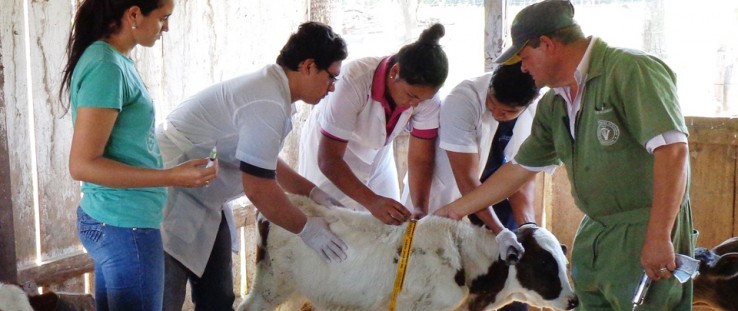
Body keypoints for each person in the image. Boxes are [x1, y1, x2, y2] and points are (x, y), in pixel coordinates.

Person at [434, 1, 694, 310]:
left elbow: (673, 151)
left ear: (547, 44)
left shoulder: (630, 70)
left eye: (525, 57)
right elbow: (518, 169)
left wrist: (659, 235)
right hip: (594, 231)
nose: (524, 68)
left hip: (644, 228)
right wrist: (452, 211)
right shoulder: (554, 104)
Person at [156, 22, 349, 310]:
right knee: (164, 299)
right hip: (173, 198)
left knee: (219, 298)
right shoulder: (266, 100)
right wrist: (308, 229)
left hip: (207, 198)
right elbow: (258, 189)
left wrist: (313, 193)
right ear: (308, 66)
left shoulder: (274, 91)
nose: (332, 88)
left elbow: (264, 161)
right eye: (331, 78)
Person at [58, 0, 218, 310]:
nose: (166, 28)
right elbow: (82, 164)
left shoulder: (113, 59)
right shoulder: (106, 66)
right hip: (124, 225)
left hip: (117, 219)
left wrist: (172, 172)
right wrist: (171, 176)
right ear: (134, 14)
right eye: (162, 18)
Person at [405, 62, 539, 311]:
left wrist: (527, 228)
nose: (497, 113)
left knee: (510, 269)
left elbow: (523, 177)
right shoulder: (462, 100)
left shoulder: (538, 112)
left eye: (507, 112)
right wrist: (500, 232)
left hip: (499, 189)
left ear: (528, 104)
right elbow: (467, 182)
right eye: (492, 104)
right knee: (438, 278)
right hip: (454, 193)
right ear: (489, 87)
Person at [298, 23, 449, 224]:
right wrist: (373, 202)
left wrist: (420, 207)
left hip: (378, 156)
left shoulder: (426, 97)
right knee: (333, 225)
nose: (415, 104)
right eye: (411, 95)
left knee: (390, 224)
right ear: (395, 71)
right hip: (331, 155)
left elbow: (421, 159)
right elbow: (329, 160)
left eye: (421, 100)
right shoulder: (353, 81)